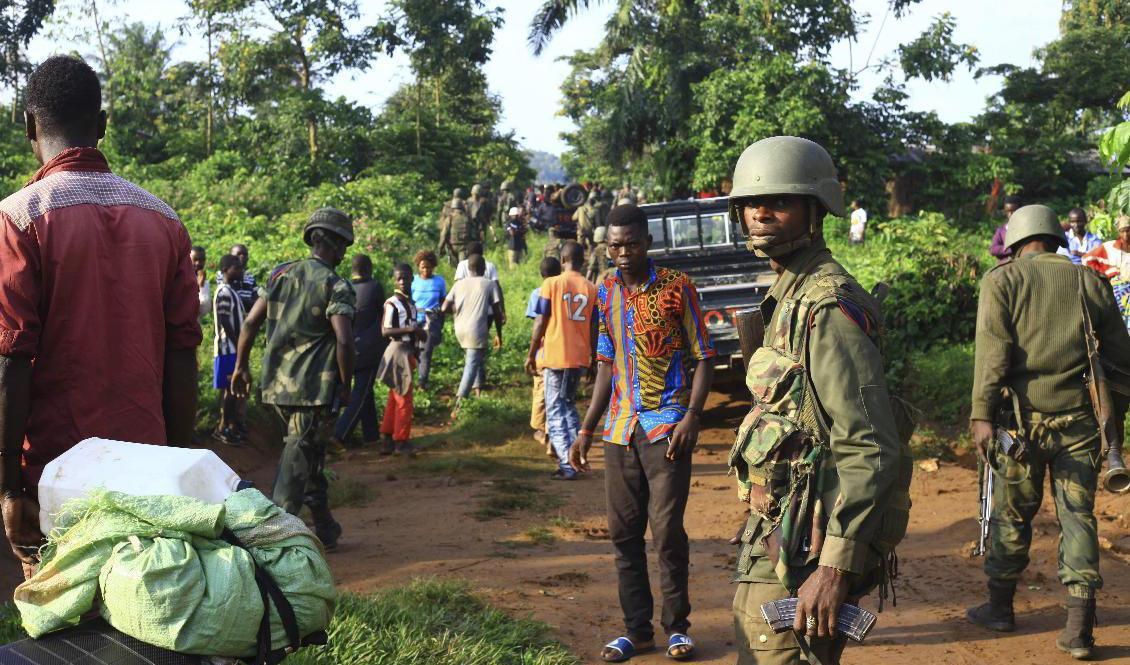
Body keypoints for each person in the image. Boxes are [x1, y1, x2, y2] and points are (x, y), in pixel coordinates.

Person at [0, 55, 201, 578]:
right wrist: (177, 467)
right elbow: (183, 355)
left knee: (63, 627)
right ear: (103, 124)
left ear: (28, 127)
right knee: (144, 617)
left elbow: (11, 363)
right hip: (148, 470)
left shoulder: (19, 218)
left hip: (57, 476)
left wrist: (8, 488)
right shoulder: (165, 221)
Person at [724, 137, 906, 665]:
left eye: (780, 201)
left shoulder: (826, 307)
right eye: (751, 203)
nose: (761, 211)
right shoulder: (789, 295)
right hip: (783, 532)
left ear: (815, 210)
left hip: (811, 544)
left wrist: (834, 568)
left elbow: (869, 447)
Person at [967, 204, 1130, 660]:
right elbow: (1122, 359)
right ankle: (1079, 630)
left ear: (1015, 243)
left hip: (1018, 428)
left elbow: (992, 357)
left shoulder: (1001, 281)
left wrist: (982, 415)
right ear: (1058, 239)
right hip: (1079, 425)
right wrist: (1112, 423)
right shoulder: (1089, 281)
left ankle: (1000, 608)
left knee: (1011, 516)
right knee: (1077, 517)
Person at [569, 204, 714, 663]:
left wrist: (693, 415)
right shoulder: (607, 289)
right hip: (619, 429)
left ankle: (677, 627)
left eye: (630, 243)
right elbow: (606, 365)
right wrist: (586, 428)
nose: (622, 253)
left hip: (667, 425)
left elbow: (704, 354)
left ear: (647, 242)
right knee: (622, 534)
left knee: (667, 530)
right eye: (614, 246)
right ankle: (637, 630)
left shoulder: (677, 287)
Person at [232, 208, 356, 550]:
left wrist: (241, 366)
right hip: (312, 389)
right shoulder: (335, 284)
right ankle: (271, 541)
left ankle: (325, 527)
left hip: (275, 387)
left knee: (306, 452)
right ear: (334, 245)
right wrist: (347, 385)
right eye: (343, 245)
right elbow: (344, 340)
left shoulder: (280, 274)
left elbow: (250, 323)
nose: (344, 253)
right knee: (298, 454)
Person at [526, 242, 597, 481]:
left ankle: (567, 465)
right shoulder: (591, 288)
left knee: (555, 412)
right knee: (569, 408)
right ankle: (578, 457)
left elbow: (540, 321)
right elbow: (596, 327)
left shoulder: (551, 284)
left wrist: (531, 352)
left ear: (563, 258)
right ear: (582, 260)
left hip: (555, 356)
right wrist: (595, 359)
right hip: (579, 358)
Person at [331, 254, 386, 449]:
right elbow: (383, 315)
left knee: (365, 392)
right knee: (360, 393)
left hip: (343, 348)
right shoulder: (375, 287)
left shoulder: (343, 287)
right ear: (368, 268)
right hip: (368, 350)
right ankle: (340, 434)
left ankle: (371, 435)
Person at [443, 254, 503, 419]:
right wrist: (499, 333)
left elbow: (444, 307)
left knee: (474, 359)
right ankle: (459, 405)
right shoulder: (489, 284)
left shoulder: (459, 284)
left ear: (468, 268)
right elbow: (497, 313)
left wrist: (457, 313)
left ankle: (476, 392)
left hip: (459, 328)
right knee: (471, 365)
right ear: (484, 268)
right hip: (476, 329)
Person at [377, 264, 425, 456]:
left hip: (407, 352)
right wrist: (411, 330)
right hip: (397, 351)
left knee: (395, 397)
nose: (403, 282)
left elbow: (413, 328)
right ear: (394, 281)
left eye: (406, 278)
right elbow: (385, 331)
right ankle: (401, 442)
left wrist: (418, 340)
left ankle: (387, 438)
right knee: (404, 399)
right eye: (399, 279)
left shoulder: (411, 304)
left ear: (412, 279)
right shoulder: (392, 304)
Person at [528, 257, 562, 455]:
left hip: (542, 351)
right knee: (557, 395)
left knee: (541, 390)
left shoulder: (537, 293)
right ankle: (551, 433)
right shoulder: (565, 291)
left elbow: (538, 322)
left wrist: (531, 353)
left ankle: (543, 430)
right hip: (562, 350)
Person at [213, 254, 248, 445]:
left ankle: (230, 426)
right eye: (236, 267)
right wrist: (239, 342)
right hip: (228, 349)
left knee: (233, 391)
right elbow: (225, 320)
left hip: (232, 348)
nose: (240, 270)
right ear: (226, 269)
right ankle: (223, 428)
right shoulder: (224, 292)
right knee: (230, 390)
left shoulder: (230, 291)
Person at [1082, 215, 1130, 332]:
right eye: (1122, 231)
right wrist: (1105, 273)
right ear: (1118, 232)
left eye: (1128, 230)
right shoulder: (1109, 247)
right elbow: (1086, 259)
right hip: (1118, 291)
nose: (1126, 235)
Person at [411, 249, 447, 391]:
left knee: (426, 352)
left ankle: (422, 382)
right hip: (414, 320)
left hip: (431, 321)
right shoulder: (413, 281)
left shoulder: (439, 281)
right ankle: (413, 378)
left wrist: (440, 320)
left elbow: (443, 301)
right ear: (418, 267)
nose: (426, 270)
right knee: (415, 351)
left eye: (428, 267)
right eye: (423, 267)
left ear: (433, 266)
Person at [990, 195, 1023, 264]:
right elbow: (993, 249)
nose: (1010, 214)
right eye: (1007, 211)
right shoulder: (1001, 231)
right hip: (1005, 266)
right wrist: (1011, 249)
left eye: (1013, 211)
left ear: (1020, 210)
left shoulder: (1025, 228)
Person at [192, 245, 211, 319]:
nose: (198, 263)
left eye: (202, 260)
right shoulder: (179, 279)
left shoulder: (204, 282)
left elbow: (204, 310)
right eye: (195, 259)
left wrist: (201, 287)